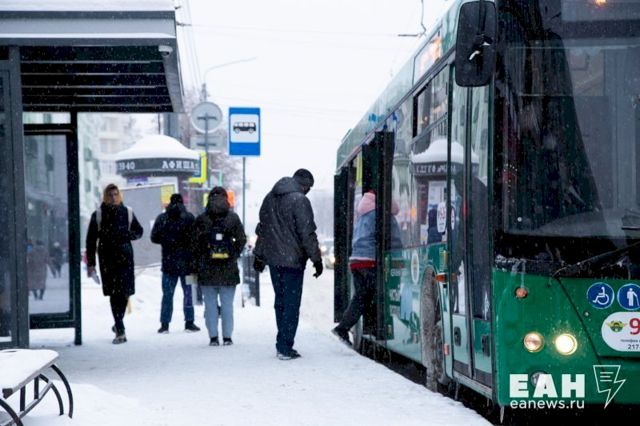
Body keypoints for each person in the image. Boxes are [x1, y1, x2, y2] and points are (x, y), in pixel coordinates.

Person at [253, 169, 323, 360]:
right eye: (308, 188)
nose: (307, 191)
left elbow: (263, 229)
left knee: (281, 302)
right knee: (291, 305)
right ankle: (285, 346)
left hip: (274, 260)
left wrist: (259, 256)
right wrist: (316, 259)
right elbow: (307, 233)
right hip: (293, 261)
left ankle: (282, 342)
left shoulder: (270, 198)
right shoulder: (300, 200)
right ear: (304, 185)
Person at [331, 191, 402, 346]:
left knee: (362, 296)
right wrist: (401, 255)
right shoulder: (381, 213)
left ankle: (354, 327)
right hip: (370, 260)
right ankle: (346, 328)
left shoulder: (364, 213)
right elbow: (395, 239)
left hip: (357, 260)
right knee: (374, 296)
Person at [86, 183, 143, 344]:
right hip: (108, 259)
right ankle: (120, 329)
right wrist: (91, 264)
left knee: (125, 292)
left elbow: (139, 231)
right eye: (110, 195)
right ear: (105, 197)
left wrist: (128, 235)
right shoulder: (98, 215)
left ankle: (118, 322)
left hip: (125, 259)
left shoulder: (127, 212)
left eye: (116, 194)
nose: (113, 198)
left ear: (120, 195)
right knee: (114, 293)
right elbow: (91, 241)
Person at [192, 186, 246, 346]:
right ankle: (227, 337)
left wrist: (202, 257)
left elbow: (194, 243)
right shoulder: (232, 218)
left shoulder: (202, 219)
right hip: (228, 269)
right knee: (227, 305)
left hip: (207, 269)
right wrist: (232, 254)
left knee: (210, 306)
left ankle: (213, 337)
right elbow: (241, 239)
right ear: (225, 199)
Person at [151, 193, 200, 334]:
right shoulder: (189, 218)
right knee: (189, 293)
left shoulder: (162, 218)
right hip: (188, 264)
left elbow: (154, 237)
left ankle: (164, 324)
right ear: (182, 203)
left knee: (167, 294)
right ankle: (189, 322)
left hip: (168, 263)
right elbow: (196, 239)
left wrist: (167, 240)